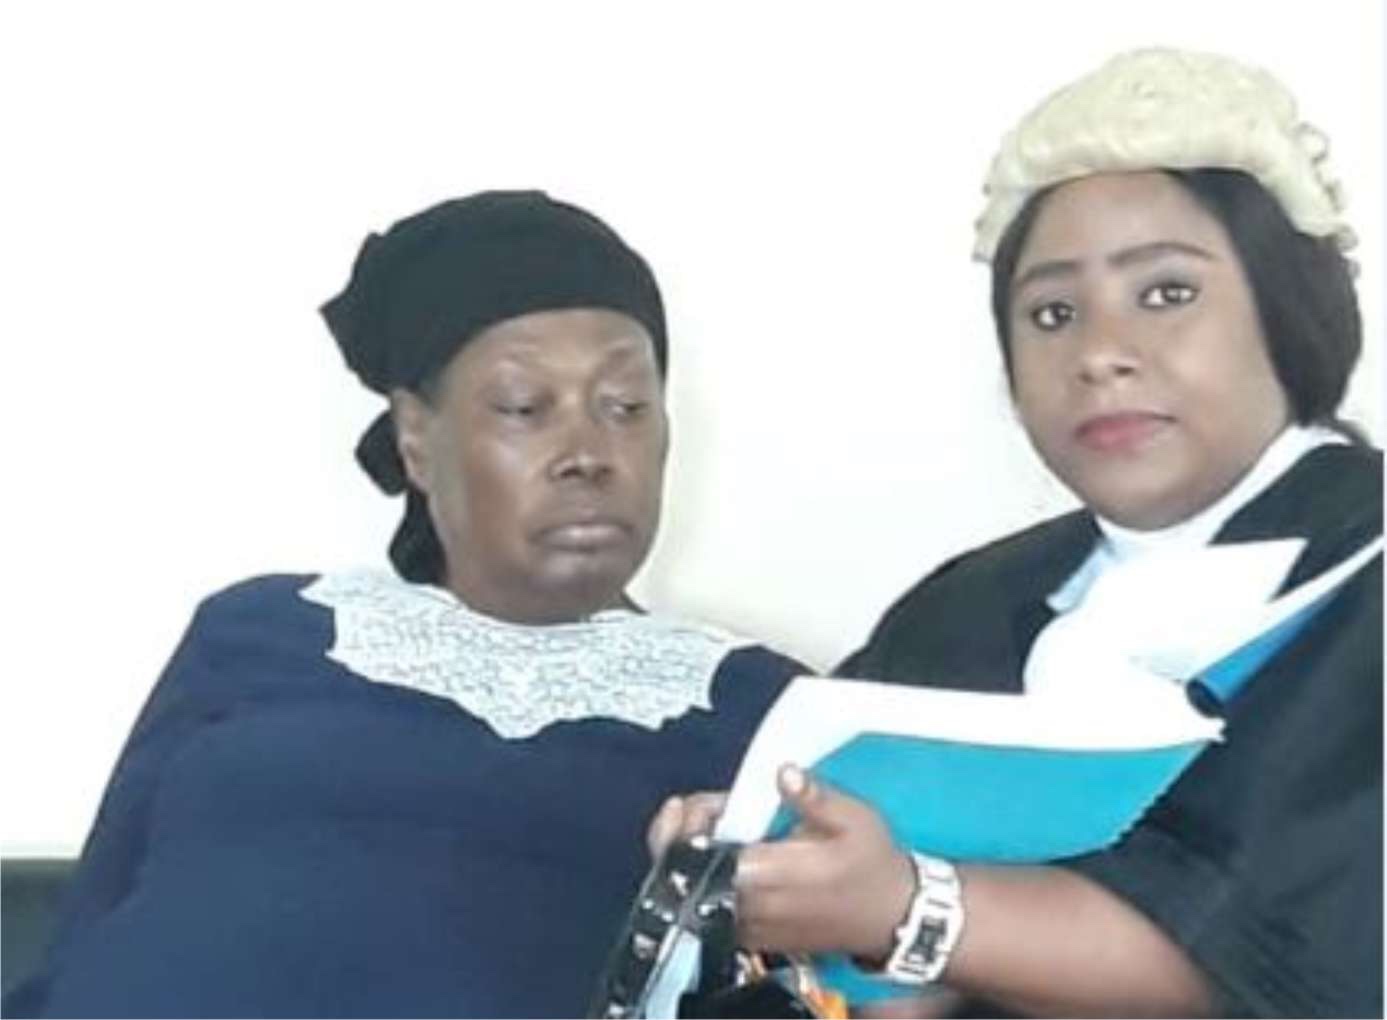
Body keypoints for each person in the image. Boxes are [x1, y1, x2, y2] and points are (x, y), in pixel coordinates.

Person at [650, 49, 1382, 1017]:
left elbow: (1299, 959)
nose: (1100, 354)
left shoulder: (1363, 585)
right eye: (1051, 312)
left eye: (1166, 293)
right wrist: (761, 859)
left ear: (1288, 309)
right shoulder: (961, 611)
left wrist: (914, 909)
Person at [5, 191, 807, 1018]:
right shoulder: (258, 630)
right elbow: (85, 926)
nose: (587, 455)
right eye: (524, 409)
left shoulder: (768, 710)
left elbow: (830, 984)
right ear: (416, 439)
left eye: (625, 409)